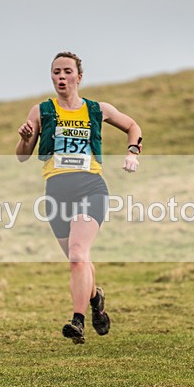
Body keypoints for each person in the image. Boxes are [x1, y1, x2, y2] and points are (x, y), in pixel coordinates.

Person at [15, 51, 142, 344]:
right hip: (56, 192)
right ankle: (96, 299)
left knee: (77, 254)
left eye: (67, 72)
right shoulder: (41, 111)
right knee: (79, 260)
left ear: (79, 77)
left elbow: (133, 127)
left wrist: (132, 152)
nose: (61, 77)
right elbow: (22, 157)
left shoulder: (98, 110)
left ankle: (78, 321)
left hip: (91, 188)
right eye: (56, 72)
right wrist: (24, 139)